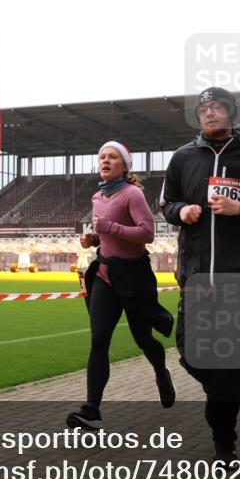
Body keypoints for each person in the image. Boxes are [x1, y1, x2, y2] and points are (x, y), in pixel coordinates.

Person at [159, 86, 240, 462]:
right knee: (190, 352)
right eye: (204, 109)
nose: (210, 113)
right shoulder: (182, 158)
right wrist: (180, 212)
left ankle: (224, 441)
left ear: (230, 112)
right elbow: (165, 204)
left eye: (217, 107)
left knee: (231, 362)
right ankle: (220, 395)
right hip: (196, 276)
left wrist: (238, 209)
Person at [68, 141, 175, 430]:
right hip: (105, 274)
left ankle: (161, 371)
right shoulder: (97, 196)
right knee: (99, 339)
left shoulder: (133, 194)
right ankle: (91, 409)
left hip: (133, 278)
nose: (105, 160)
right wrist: (95, 239)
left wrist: (108, 229)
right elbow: (107, 235)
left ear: (125, 165)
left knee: (143, 339)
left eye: (112, 157)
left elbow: (147, 234)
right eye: (102, 156)